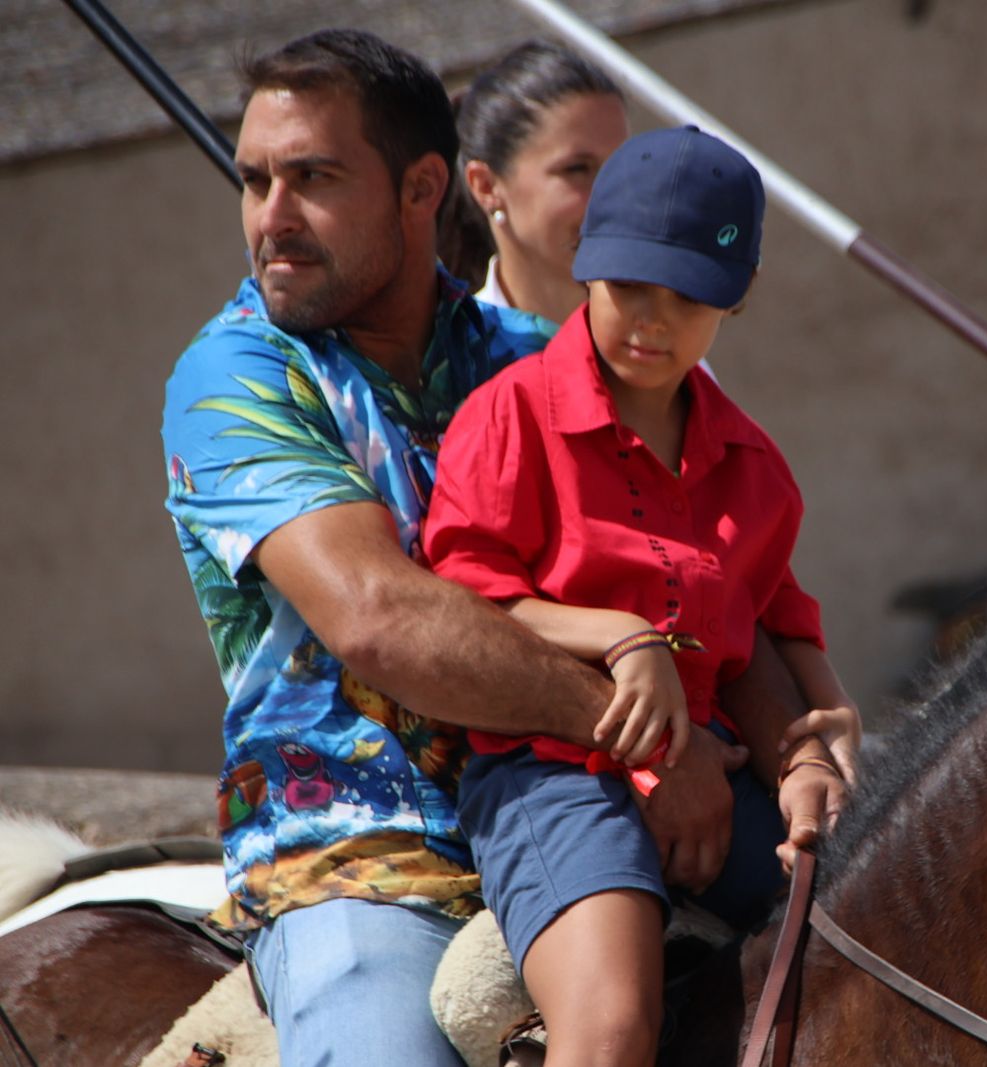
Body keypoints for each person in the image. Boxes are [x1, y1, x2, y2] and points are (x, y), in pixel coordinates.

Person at [161, 30, 852, 1066]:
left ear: (421, 187)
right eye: (255, 180)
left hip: (610, 795)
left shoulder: (545, 350)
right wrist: (661, 747)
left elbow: (727, 580)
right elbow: (383, 620)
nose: (271, 216)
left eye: (313, 179)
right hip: (363, 849)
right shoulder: (236, 379)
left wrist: (807, 743)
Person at [421, 125, 854, 1067]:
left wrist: (811, 755)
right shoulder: (513, 414)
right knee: (613, 1029)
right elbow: (463, 602)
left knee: (885, 924)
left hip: (722, 776)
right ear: (585, 266)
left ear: (736, 302)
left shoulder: (755, 467)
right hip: (554, 775)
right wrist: (623, 636)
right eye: (628, 288)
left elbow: (765, 634)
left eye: (688, 296)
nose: (651, 321)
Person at [450, 40, 629, 333]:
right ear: (486, 187)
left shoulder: (656, 350)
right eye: (577, 169)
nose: (615, 199)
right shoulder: (453, 367)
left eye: (622, 169)